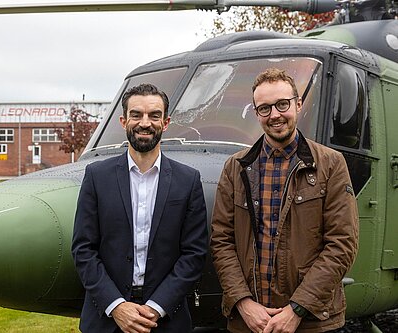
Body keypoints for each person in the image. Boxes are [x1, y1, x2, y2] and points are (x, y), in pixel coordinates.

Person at [210, 68, 359, 333]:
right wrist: (243, 303)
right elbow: (222, 241)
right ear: (256, 114)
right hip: (249, 322)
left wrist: (297, 309)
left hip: (311, 322)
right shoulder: (236, 167)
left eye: (282, 104)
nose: (275, 115)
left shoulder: (330, 164)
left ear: (298, 104)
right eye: (265, 108)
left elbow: (342, 244)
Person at [71, 83, 208, 333]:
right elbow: (83, 250)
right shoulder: (96, 176)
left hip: (166, 320)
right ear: (124, 121)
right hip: (106, 320)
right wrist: (117, 306)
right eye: (137, 115)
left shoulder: (188, 180)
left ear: (165, 123)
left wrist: (157, 307)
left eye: (154, 115)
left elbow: (194, 254)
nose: (145, 123)